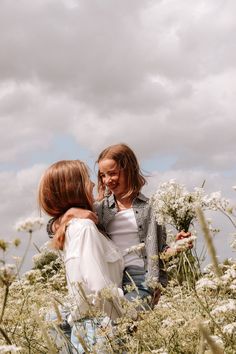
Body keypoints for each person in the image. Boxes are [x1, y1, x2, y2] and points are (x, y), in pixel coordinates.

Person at [47, 144, 191, 307]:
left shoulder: (151, 208)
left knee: (123, 318)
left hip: (140, 278)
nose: (107, 180)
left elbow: (160, 251)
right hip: (110, 276)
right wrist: (70, 214)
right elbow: (53, 230)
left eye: (113, 173)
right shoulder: (99, 208)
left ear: (129, 170)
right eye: (102, 176)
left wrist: (178, 246)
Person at [38, 160, 124, 353]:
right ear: (74, 188)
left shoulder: (73, 225)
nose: (94, 184)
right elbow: (99, 288)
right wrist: (131, 315)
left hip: (88, 328)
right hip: (100, 329)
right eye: (87, 180)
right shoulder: (84, 227)